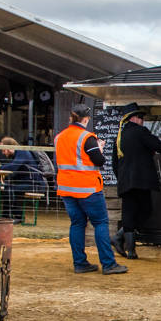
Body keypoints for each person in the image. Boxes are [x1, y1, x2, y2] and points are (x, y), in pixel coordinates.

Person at [54, 104, 125, 275]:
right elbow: (99, 160)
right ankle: (108, 263)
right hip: (87, 188)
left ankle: (80, 262)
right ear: (86, 119)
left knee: (77, 223)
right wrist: (100, 147)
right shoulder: (87, 138)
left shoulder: (59, 137)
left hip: (66, 188)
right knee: (100, 223)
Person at [113, 105, 161, 259]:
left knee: (129, 213)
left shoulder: (120, 135)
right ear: (134, 118)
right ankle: (124, 243)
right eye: (141, 118)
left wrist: (122, 178)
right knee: (145, 211)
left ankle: (126, 245)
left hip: (126, 181)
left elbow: (114, 162)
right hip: (141, 180)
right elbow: (158, 146)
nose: (143, 121)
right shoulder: (140, 132)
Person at [0, 137, 44, 223]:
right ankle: (7, 216)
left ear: (9, 147)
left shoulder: (22, 152)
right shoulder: (18, 154)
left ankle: (16, 217)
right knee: (7, 188)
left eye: (3, 150)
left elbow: (13, 166)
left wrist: (0, 167)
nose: (2, 152)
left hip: (35, 184)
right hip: (27, 183)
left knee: (9, 189)